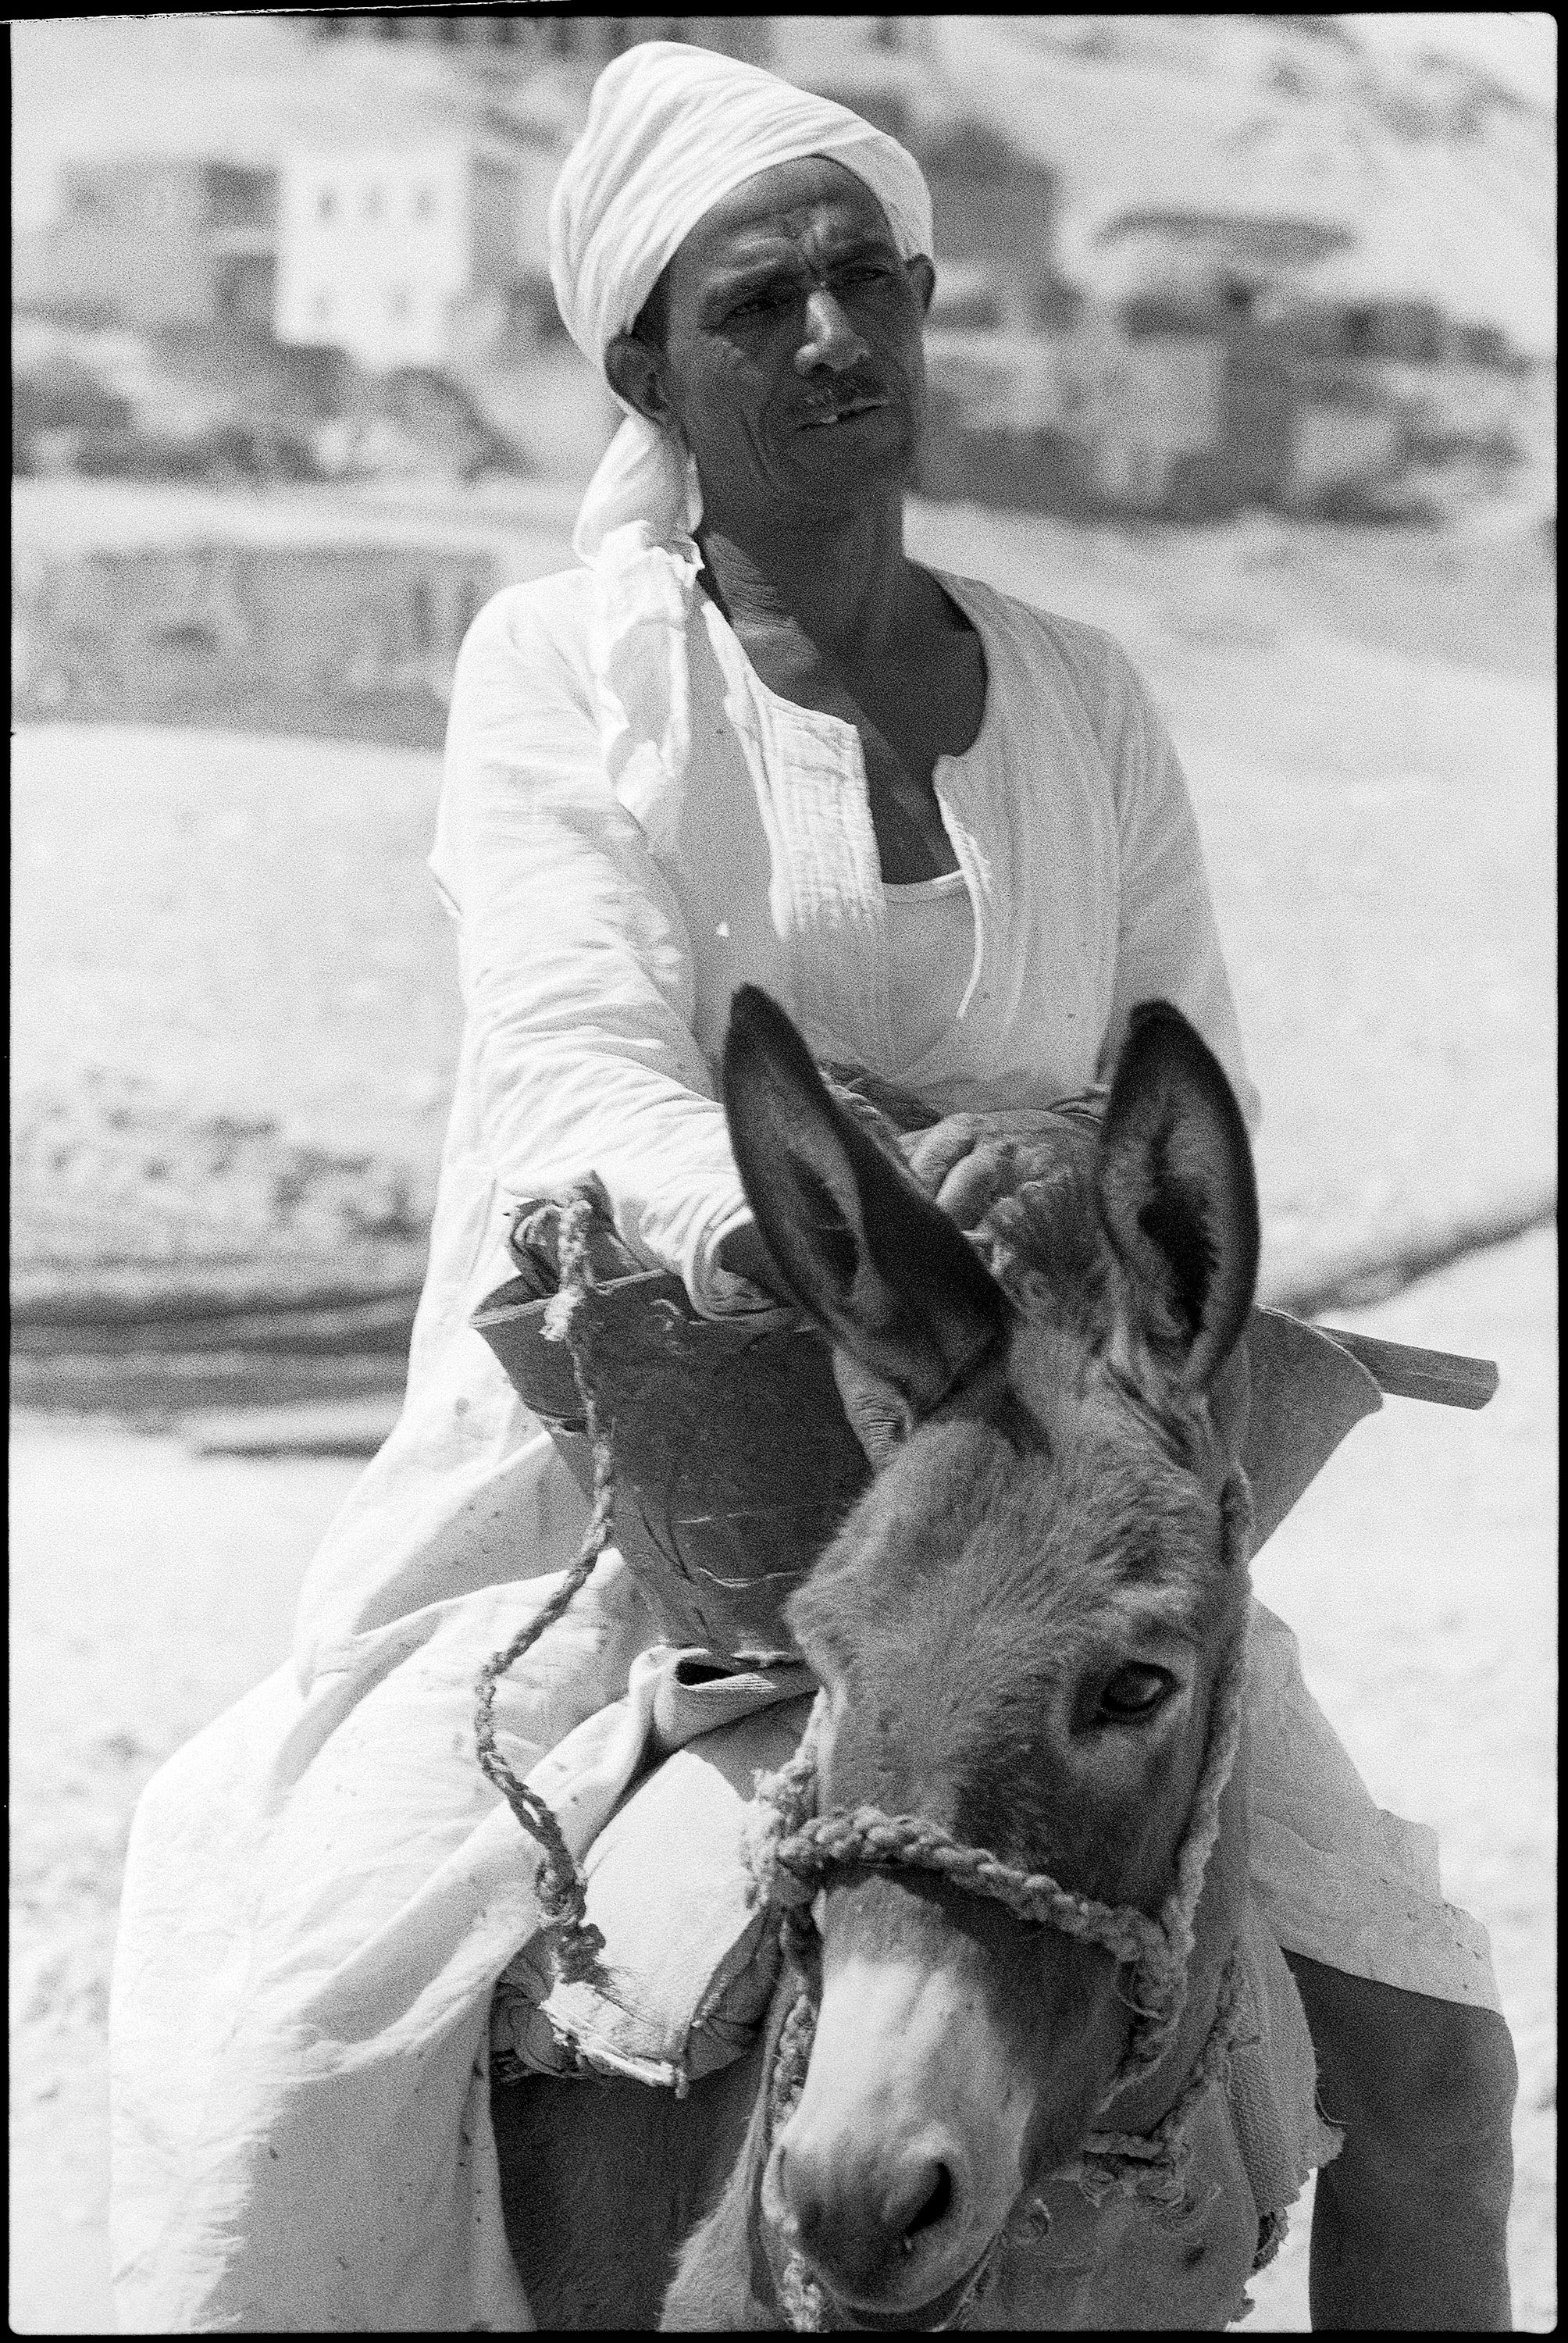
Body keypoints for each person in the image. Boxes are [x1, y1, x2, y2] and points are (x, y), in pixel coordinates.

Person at [110, 41, 1515, 2332]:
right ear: (647, 364)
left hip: (1030, 1510)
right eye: (763, 305)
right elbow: (572, 1065)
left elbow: (1188, 1082)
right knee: (292, 2065)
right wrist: (821, 1205)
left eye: (874, 281)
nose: (838, 338)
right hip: (641, 1484)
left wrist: (1059, 1155)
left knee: (1440, 2074)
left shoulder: (1086, 696)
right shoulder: (563, 674)